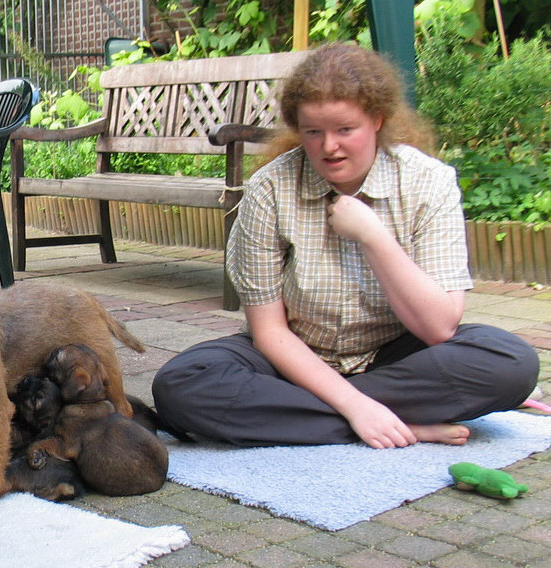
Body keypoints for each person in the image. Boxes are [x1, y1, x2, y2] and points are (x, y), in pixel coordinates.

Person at [152, 43, 538, 449]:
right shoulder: (270, 187)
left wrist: (374, 237)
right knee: (182, 384)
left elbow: (438, 328)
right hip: (293, 358)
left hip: (396, 355)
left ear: (377, 119)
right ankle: (393, 423)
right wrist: (356, 407)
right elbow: (269, 332)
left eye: (345, 130)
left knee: (511, 362)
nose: (329, 147)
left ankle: (303, 416)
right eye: (313, 132)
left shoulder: (429, 182)